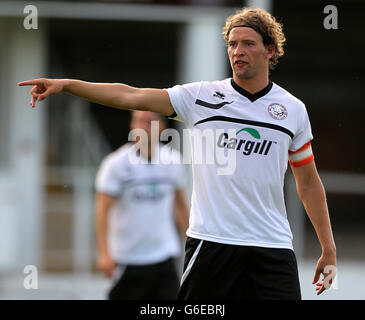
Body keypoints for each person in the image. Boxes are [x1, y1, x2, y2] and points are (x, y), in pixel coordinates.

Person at [18, 7, 336, 299]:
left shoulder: (292, 110)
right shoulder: (201, 97)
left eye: (248, 44)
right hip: (212, 244)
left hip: (272, 246)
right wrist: (68, 84)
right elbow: (131, 95)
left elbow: (307, 182)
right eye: (232, 44)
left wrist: (328, 247)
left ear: (270, 50)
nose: (238, 51)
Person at [95, 110, 189, 300]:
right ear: (132, 126)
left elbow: (180, 206)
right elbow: (103, 211)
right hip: (127, 259)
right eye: (139, 121)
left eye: (150, 122)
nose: (144, 127)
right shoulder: (116, 164)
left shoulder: (173, 160)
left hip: (164, 256)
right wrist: (104, 253)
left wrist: (191, 245)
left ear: (162, 127)